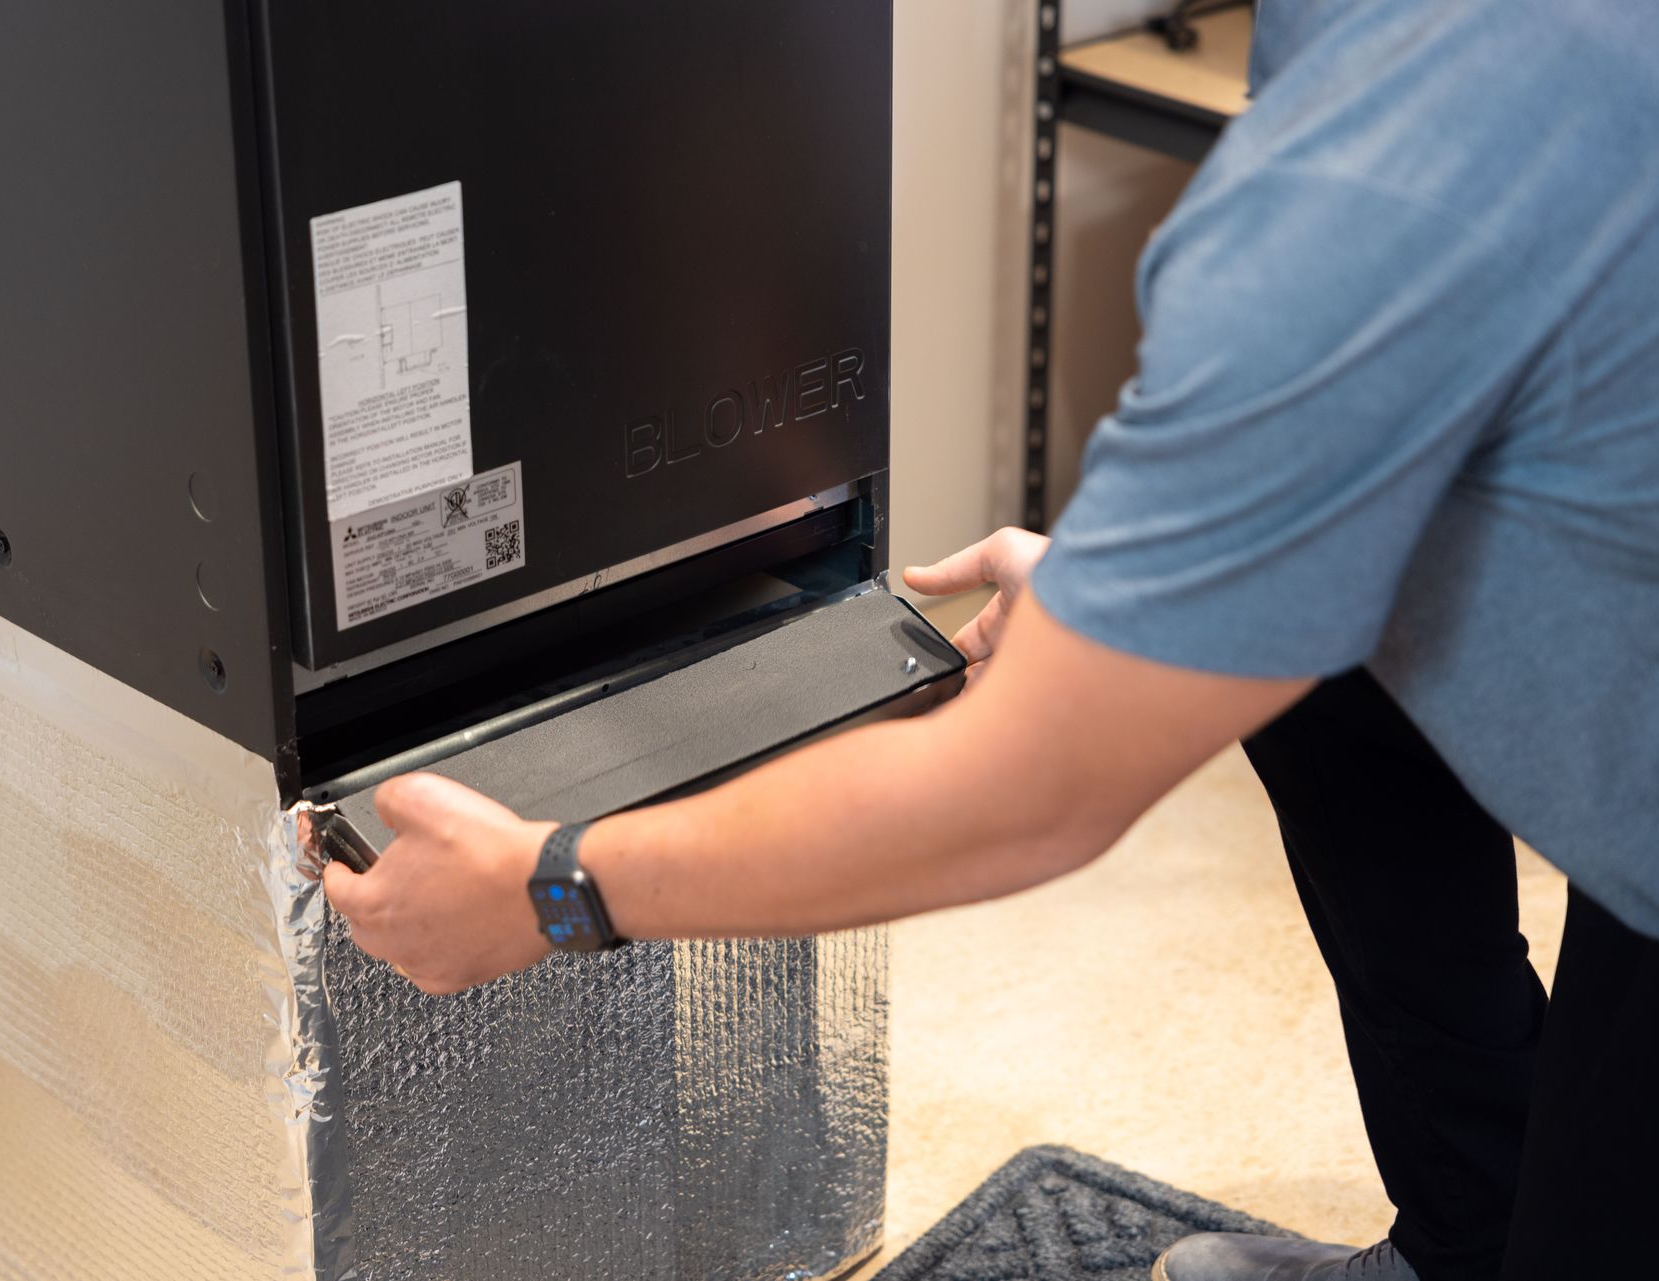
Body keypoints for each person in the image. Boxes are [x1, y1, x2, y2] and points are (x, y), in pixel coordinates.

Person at [321, 1, 1659, 1277]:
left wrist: (553, 887)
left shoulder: (1375, 173)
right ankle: (1471, 1235)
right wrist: (1149, 588)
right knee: (1320, 696)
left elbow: (1027, 790)